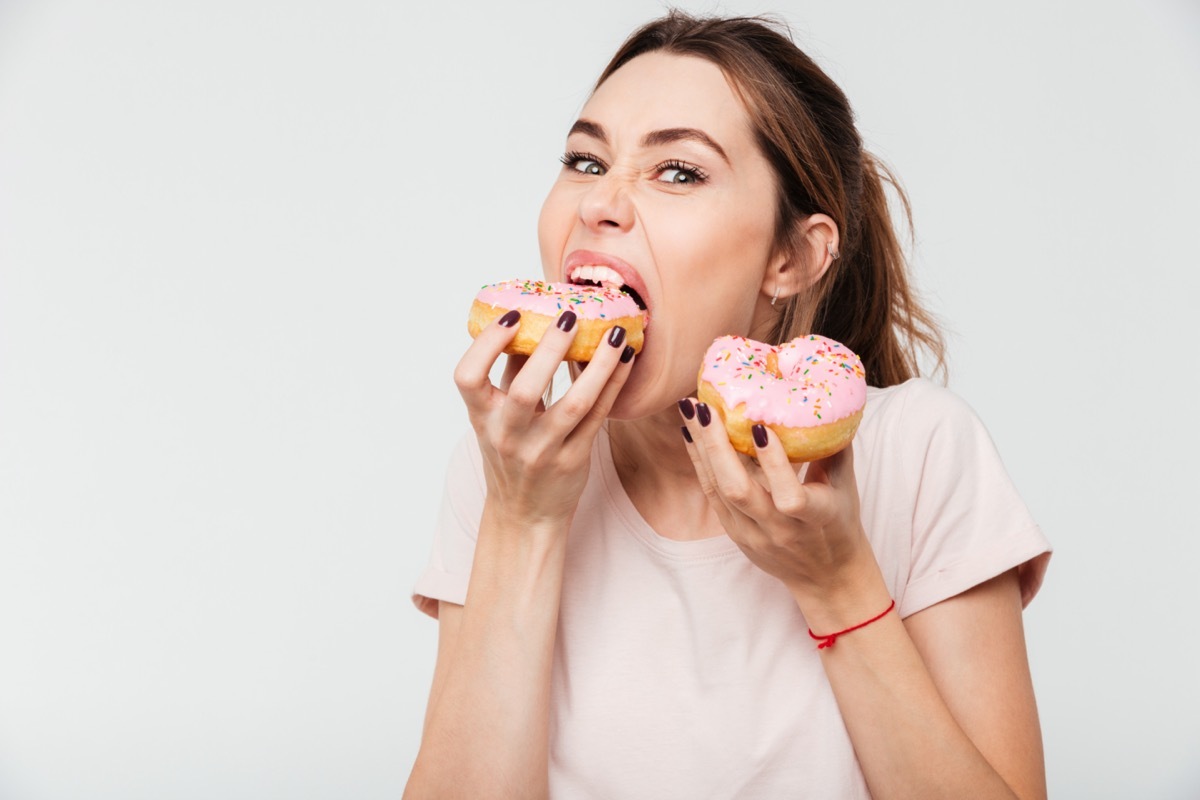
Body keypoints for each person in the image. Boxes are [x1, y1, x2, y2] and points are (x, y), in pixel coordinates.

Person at [405, 11, 1051, 799]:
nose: (599, 204)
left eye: (678, 171)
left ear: (792, 258)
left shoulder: (918, 452)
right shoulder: (508, 465)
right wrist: (523, 522)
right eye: (584, 159)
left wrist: (837, 582)